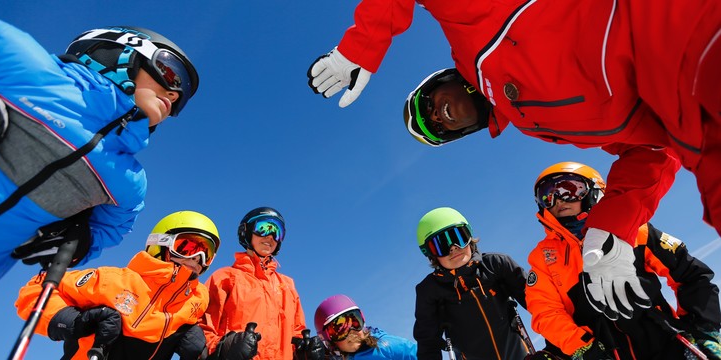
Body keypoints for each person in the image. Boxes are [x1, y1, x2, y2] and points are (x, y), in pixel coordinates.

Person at [307, 0, 721, 322]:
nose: (435, 117)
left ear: (443, 80)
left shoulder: (469, 34)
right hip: (693, 124)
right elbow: (647, 149)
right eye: (435, 130)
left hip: (675, 25)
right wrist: (611, 227)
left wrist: (360, 47)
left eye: (428, 106)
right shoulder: (535, 124)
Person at [0, 16, 200, 308]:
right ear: (121, 51)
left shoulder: (128, 181)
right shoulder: (24, 65)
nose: (175, 94)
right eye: (171, 72)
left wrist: (83, 242)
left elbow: (112, 228)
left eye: (182, 98)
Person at [525, 162, 721, 359]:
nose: (558, 200)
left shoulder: (633, 230)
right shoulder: (543, 257)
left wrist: (704, 329)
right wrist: (583, 347)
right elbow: (546, 312)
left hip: (664, 342)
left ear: (594, 190)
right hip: (604, 353)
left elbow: (690, 274)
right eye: (547, 195)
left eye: (568, 190)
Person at [14, 210, 227, 359]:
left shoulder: (197, 301)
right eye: (187, 247)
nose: (197, 257)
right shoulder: (113, 281)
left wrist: (216, 351)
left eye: (206, 252)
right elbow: (36, 289)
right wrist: (74, 322)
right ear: (162, 243)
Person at [413, 207, 531, 360]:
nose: (453, 248)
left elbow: (541, 303)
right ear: (430, 253)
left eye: (458, 237)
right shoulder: (430, 291)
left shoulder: (496, 264)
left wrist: (556, 348)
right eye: (442, 244)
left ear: (469, 237)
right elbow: (427, 343)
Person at [200, 207, 311, 360]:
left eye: (277, 232)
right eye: (263, 228)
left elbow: (297, 333)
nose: (271, 236)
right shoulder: (224, 278)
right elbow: (201, 329)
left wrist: (304, 351)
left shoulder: (287, 286)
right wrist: (224, 347)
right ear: (246, 231)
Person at [313, 294, 417, 359]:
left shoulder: (386, 346)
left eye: (355, 322)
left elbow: (424, 353)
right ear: (327, 339)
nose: (351, 332)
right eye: (340, 330)